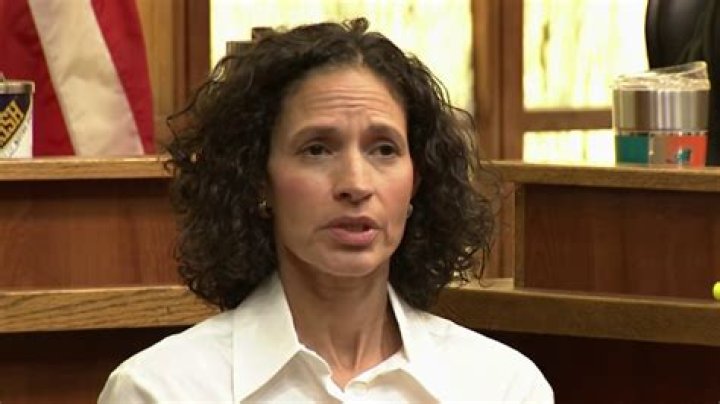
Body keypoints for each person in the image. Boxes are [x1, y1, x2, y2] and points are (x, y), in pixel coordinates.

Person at [99, 18, 553, 403]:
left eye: (384, 149)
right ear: (258, 179)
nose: (356, 184)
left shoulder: (502, 387)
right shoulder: (161, 389)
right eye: (317, 149)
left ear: (417, 181)